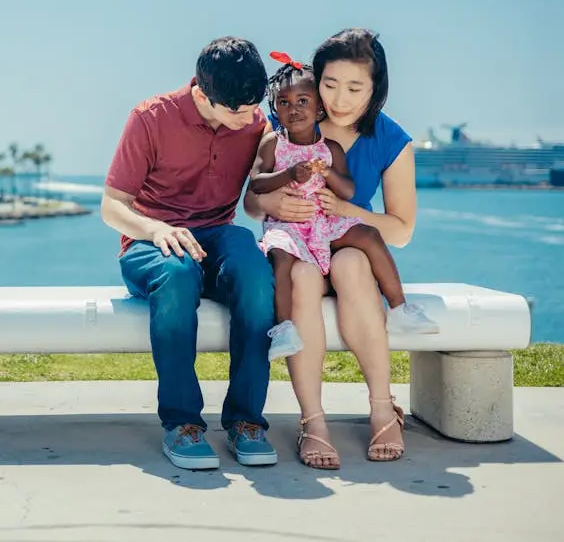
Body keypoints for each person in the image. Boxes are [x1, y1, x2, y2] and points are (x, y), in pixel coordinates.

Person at [243, 28, 423, 469]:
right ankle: (314, 421)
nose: (341, 99)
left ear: (375, 89)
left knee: (352, 264)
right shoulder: (291, 118)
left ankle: (383, 407)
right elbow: (251, 200)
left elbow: (400, 231)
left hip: (344, 243)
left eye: (356, 87)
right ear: (314, 82)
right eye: (330, 84)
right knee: (302, 274)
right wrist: (272, 201)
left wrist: (345, 207)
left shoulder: (391, 138)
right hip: (298, 251)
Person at [101, 36, 278, 471]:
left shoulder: (255, 123)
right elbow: (112, 206)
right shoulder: (150, 118)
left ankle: (246, 421)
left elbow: (257, 199)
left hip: (219, 233)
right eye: (236, 110)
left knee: (256, 273)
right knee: (179, 276)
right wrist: (158, 229)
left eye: (252, 107)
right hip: (149, 241)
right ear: (202, 92)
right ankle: (182, 424)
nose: (247, 118)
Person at [250, 51, 439, 362]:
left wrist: (330, 180)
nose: (294, 110)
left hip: (326, 225)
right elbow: (255, 187)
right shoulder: (274, 138)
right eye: (284, 103)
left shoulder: (334, 147)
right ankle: (283, 329)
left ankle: (399, 307)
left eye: (302, 102)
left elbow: (351, 192)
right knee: (281, 260)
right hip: (291, 230)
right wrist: (281, 185)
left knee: (366, 236)